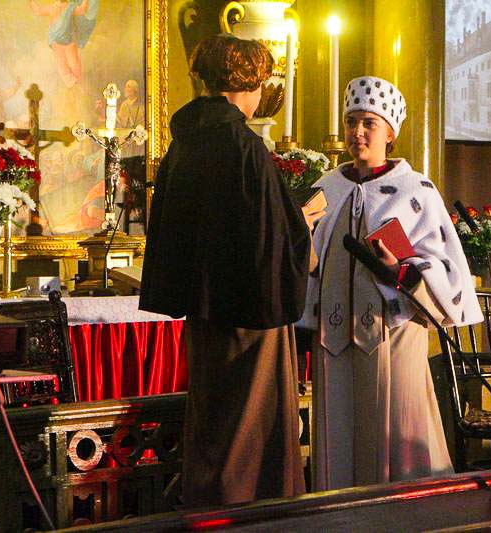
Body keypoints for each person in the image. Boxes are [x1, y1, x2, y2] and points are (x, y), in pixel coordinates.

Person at [140, 34, 322, 507]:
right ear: (251, 83)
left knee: (212, 424)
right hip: (252, 318)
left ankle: (207, 510)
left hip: (205, 315)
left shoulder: (184, 144)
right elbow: (268, 241)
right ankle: (250, 516)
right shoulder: (244, 147)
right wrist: (302, 225)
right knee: (251, 429)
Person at [300, 76, 483, 490]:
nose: (357, 132)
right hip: (334, 346)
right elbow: (310, 264)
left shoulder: (416, 191)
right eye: (351, 122)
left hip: (395, 337)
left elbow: (447, 271)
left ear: (390, 133)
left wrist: (401, 270)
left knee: (398, 444)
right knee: (338, 447)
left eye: (369, 123)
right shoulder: (326, 189)